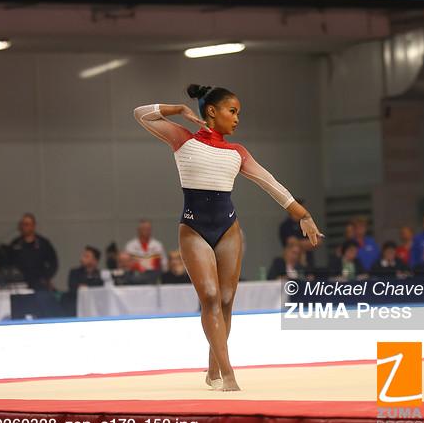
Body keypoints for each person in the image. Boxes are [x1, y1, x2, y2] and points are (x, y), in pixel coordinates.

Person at [134, 84, 323, 391]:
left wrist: (304, 215)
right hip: (194, 229)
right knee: (209, 297)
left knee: (224, 300)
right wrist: (178, 109)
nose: (237, 119)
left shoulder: (237, 152)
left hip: (228, 229)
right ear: (212, 111)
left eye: (238, 113)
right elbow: (141, 114)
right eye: (232, 111)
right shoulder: (183, 140)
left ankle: (213, 370)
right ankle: (228, 373)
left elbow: (271, 183)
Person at [8, 213, 58, 290]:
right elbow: (8, 263)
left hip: (39, 283)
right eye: (22, 224)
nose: (24, 227)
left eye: (27, 224)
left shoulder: (43, 243)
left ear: (33, 226)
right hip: (20, 283)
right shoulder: (15, 244)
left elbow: (54, 263)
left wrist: (45, 277)